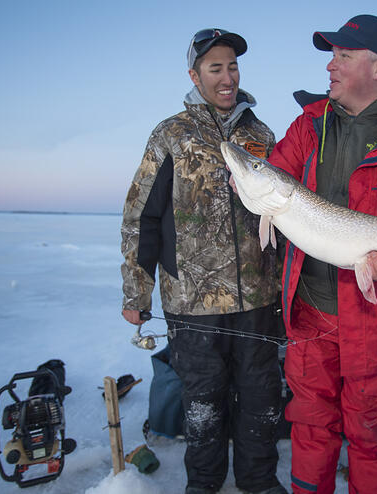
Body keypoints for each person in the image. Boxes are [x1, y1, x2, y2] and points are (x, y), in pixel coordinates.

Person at [267, 15, 377, 494]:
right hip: (309, 316)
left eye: (344, 56)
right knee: (310, 429)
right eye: (332, 55)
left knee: (371, 436)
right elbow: (273, 177)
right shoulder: (309, 125)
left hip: (376, 322)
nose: (331, 66)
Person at [120, 28, 286, 494]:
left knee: (262, 397)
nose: (227, 76)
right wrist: (137, 291)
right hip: (191, 300)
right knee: (204, 402)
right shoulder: (171, 133)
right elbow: (140, 216)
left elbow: (285, 213)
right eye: (216, 67)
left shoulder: (261, 134)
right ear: (195, 75)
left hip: (257, 294)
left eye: (232, 66)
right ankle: (205, 484)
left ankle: (259, 482)